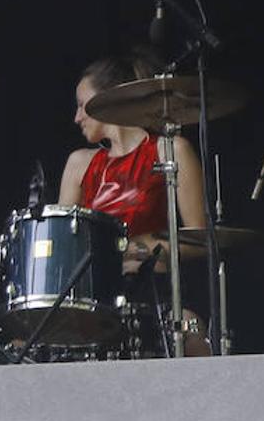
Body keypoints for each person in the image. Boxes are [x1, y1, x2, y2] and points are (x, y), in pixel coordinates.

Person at [59, 51, 209, 355]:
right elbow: (63, 248)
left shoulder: (170, 150)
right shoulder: (80, 164)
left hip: (156, 293)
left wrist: (137, 246)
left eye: (81, 105)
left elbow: (200, 238)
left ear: (109, 99)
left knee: (193, 337)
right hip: (96, 299)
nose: (76, 118)